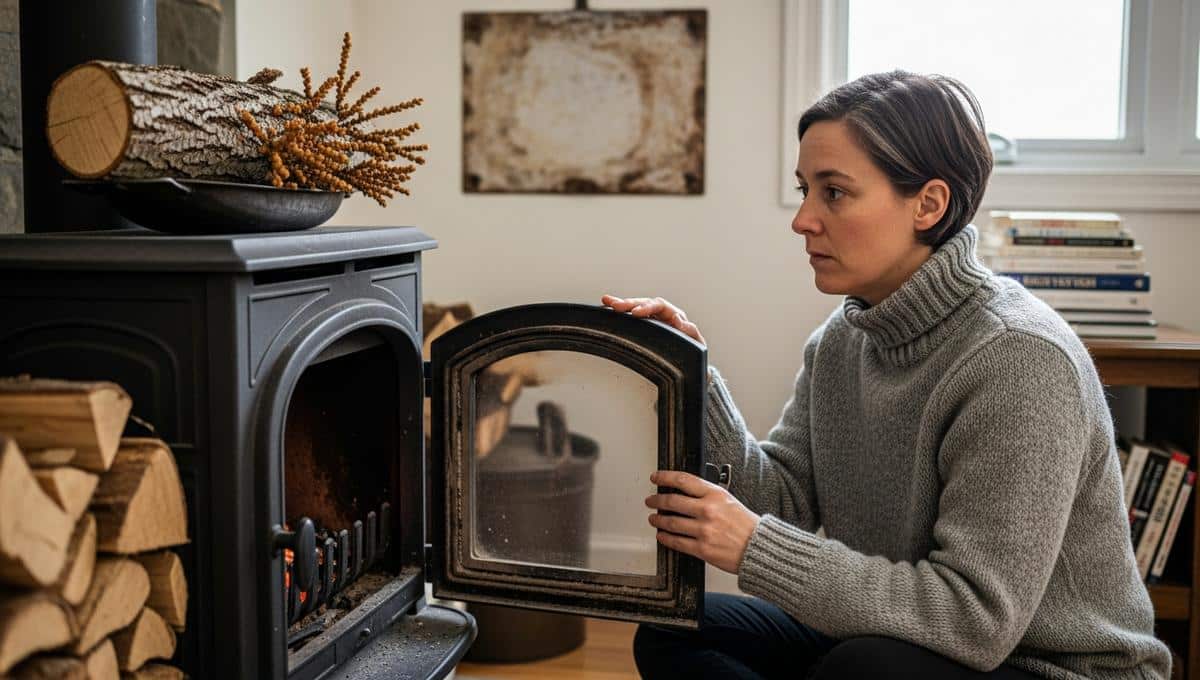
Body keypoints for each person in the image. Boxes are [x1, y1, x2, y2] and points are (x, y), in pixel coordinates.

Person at [601, 70, 1171, 679]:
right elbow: (784, 505)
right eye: (804, 190)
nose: (803, 220)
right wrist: (696, 374)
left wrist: (754, 547)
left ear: (928, 204)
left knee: (861, 668)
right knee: (674, 629)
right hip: (898, 637)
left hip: (1049, 667)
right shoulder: (844, 340)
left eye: (835, 193)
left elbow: (974, 620)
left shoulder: (1020, 359)